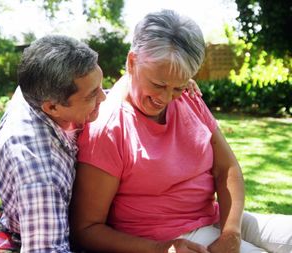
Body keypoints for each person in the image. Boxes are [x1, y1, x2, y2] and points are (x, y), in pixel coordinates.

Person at [70, 9, 292, 253]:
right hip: (171, 238)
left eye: (178, 86)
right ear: (132, 62)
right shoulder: (108, 128)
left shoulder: (188, 98)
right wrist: (161, 249)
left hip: (217, 219)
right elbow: (86, 230)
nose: (166, 98)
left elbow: (227, 169)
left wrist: (231, 233)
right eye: (158, 84)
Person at [0, 35, 107, 252]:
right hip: (45, 229)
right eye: (92, 94)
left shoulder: (36, 86)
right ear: (52, 108)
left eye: (101, 86)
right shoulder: (42, 175)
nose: (103, 97)